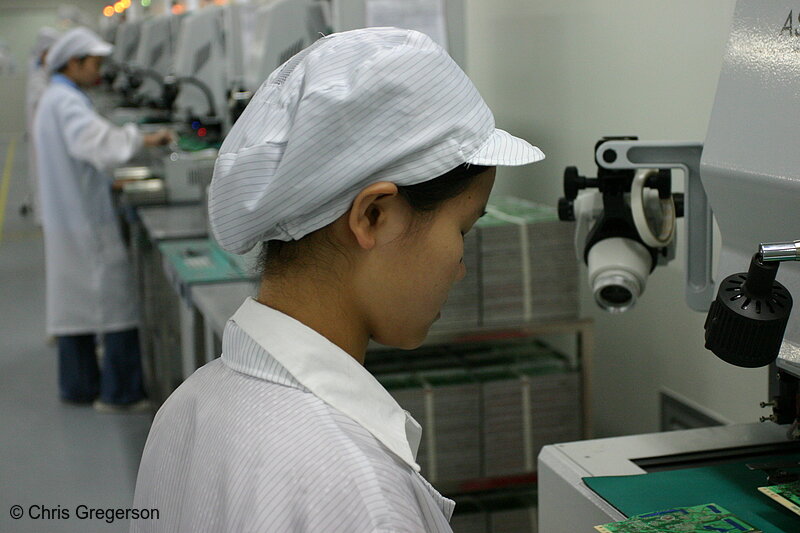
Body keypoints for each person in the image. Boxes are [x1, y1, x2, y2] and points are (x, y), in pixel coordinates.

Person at [131, 27, 544, 532]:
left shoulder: (187, 408)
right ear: (373, 215)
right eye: (463, 228)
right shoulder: (363, 499)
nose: (461, 267)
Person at [33, 27, 173, 412]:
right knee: (114, 302)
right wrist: (145, 138)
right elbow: (95, 141)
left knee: (74, 306)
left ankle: (78, 386)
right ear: (73, 63)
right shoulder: (66, 102)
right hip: (83, 220)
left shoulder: (56, 97)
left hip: (70, 215)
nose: (98, 71)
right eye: (94, 63)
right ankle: (120, 393)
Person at [23, 26, 61, 224]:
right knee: (42, 173)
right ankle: (43, 213)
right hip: (41, 136)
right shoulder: (39, 78)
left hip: (43, 134)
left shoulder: (44, 74)